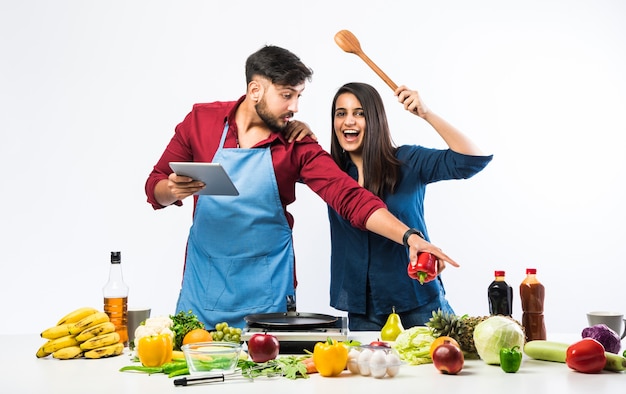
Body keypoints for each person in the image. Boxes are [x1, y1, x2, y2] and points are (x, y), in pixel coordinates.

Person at [145, 45, 456, 330]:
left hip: (268, 294)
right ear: (256, 90)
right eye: (286, 95)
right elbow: (155, 184)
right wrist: (170, 190)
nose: (294, 106)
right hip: (204, 287)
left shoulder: (297, 145)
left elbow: (348, 197)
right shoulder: (201, 121)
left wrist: (409, 236)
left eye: (298, 96)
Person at [328, 82, 493, 331]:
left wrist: (426, 113)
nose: (348, 121)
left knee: (442, 365)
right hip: (363, 309)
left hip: (418, 301)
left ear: (375, 119)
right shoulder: (330, 174)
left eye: (359, 113)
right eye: (341, 113)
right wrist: (297, 130)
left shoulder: (407, 161)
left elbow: (472, 161)